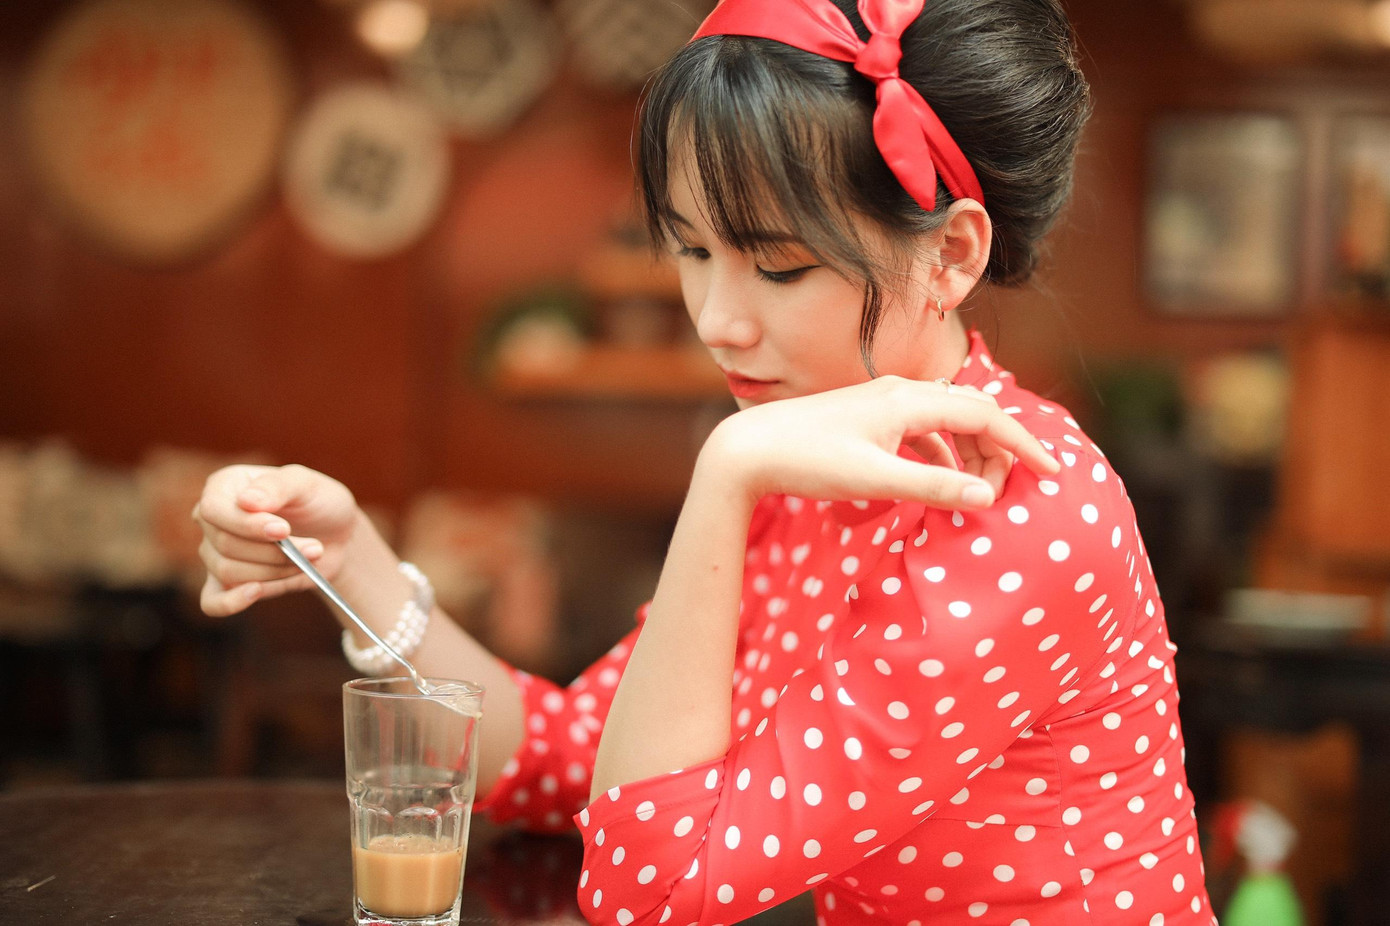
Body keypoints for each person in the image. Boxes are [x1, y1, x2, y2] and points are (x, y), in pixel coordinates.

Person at [194, 0, 1215, 922]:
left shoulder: (1015, 505)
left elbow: (648, 888)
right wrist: (352, 559)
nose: (718, 320)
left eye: (779, 265)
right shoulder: (805, 456)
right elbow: (570, 757)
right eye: (690, 250)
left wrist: (727, 469)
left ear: (949, 253)